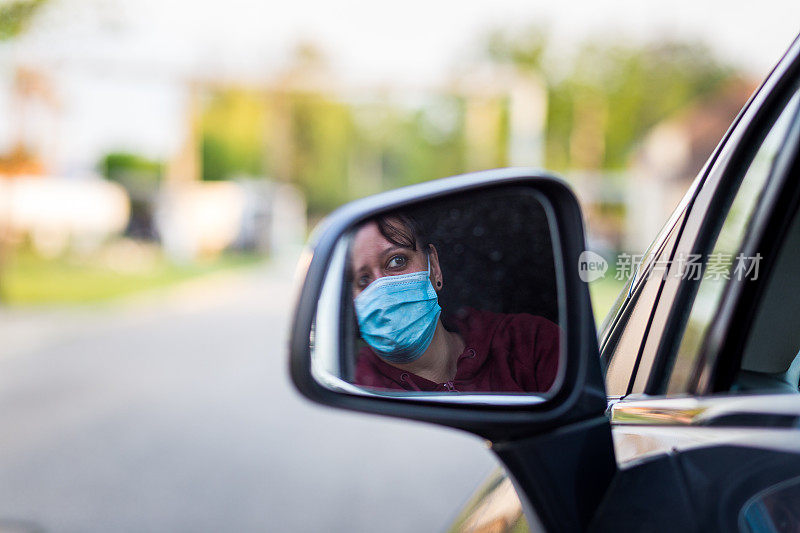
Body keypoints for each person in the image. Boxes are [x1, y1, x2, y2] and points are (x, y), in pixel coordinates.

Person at [349, 212, 560, 394]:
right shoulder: (353, 386)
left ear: (435, 267)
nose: (381, 289)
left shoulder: (530, 343)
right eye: (364, 280)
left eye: (397, 261)